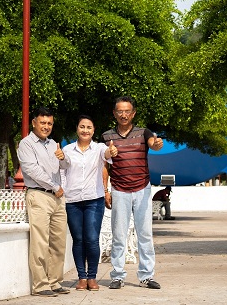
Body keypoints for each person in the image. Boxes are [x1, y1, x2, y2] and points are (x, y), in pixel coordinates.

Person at [101, 95, 164, 290]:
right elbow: (104, 166)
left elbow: (153, 143)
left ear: (133, 113)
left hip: (142, 189)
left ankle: (146, 276)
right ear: (114, 113)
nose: (123, 114)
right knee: (118, 235)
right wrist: (106, 191)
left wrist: (156, 144)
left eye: (127, 111)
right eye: (120, 111)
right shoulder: (106, 137)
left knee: (145, 235)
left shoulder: (143, 133)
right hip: (119, 190)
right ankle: (117, 276)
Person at [17, 107, 71, 297]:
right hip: (39, 195)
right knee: (40, 242)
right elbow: (33, 171)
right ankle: (40, 285)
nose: (46, 126)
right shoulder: (26, 144)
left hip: (57, 197)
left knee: (58, 242)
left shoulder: (53, 144)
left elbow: (65, 166)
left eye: (49, 123)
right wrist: (55, 187)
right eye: (43, 123)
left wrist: (64, 158)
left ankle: (55, 282)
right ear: (34, 123)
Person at [61, 115, 118, 291]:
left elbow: (107, 154)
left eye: (89, 127)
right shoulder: (67, 150)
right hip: (73, 201)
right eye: (82, 127)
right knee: (78, 240)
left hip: (94, 200)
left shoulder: (100, 148)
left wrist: (112, 151)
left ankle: (92, 277)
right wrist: (63, 190)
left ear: (93, 131)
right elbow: (62, 172)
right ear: (77, 129)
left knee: (92, 239)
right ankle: (81, 277)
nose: (85, 130)